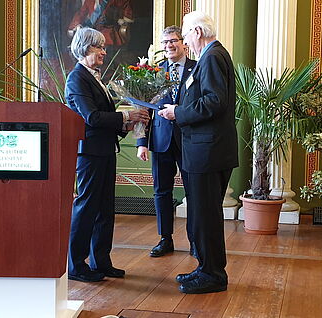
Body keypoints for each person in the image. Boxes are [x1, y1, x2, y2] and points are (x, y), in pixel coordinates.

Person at [158, 11, 238, 294]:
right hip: (205, 149)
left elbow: (215, 101)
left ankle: (213, 275)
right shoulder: (210, 56)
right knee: (204, 214)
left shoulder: (212, 57)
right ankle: (206, 268)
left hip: (208, 151)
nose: (186, 41)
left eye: (187, 35)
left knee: (206, 214)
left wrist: (177, 112)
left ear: (197, 32)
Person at [65, 27, 149, 282]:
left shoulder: (95, 77)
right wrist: (127, 115)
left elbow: (103, 119)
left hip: (104, 150)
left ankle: (101, 262)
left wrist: (127, 124)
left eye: (103, 47)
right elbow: (91, 117)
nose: (104, 51)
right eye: (99, 47)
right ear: (85, 48)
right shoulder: (76, 78)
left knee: (105, 209)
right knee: (87, 207)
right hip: (89, 154)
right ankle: (77, 266)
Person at [136, 26, 197, 258]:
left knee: (193, 192)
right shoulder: (154, 73)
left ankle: (194, 240)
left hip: (189, 140)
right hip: (161, 140)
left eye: (173, 41)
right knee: (161, 191)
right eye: (165, 42)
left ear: (184, 43)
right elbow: (143, 109)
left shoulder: (197, 69)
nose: (169, 46)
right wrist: (142, 141)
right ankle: (165, 239)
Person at [67, 0, 133, 48]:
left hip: (109, 29)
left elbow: (128, 15)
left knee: (103, 42)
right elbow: (81, 13)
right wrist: (75, 25)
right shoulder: (90, 1)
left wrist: (120, 20)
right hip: (93, 29)